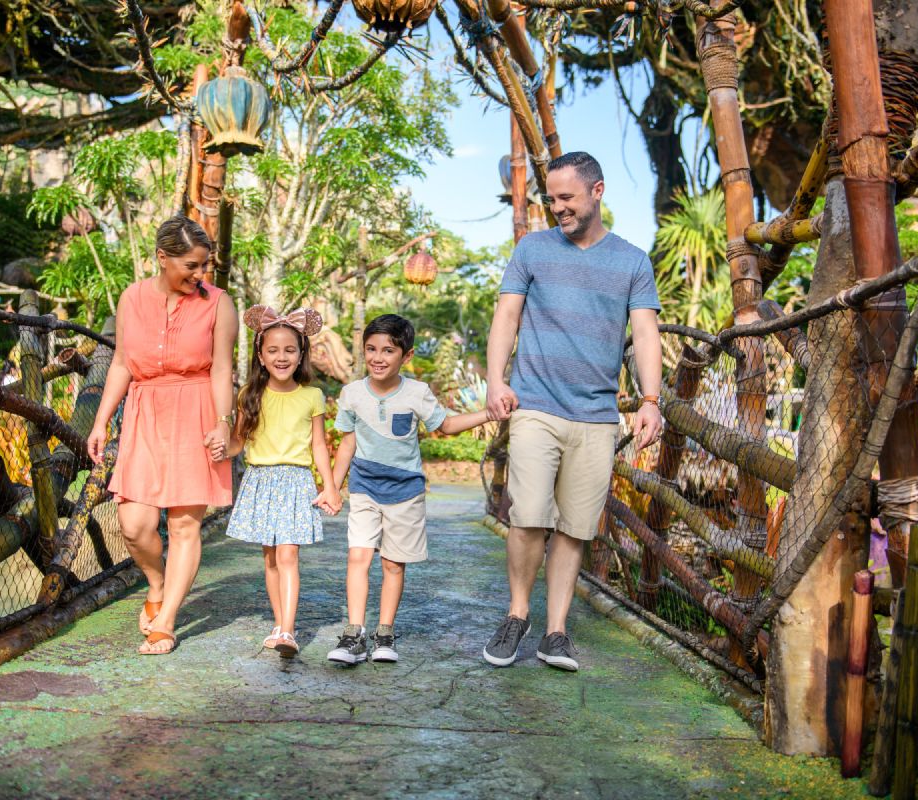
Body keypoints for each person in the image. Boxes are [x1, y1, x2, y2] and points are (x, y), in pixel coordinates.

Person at [481, 151, 664, 672]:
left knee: (576, 529)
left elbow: (646, 333)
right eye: (551, 198)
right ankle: (517, 614)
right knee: (530, 515)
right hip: (536, 404)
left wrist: (651, 400)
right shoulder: (532, 249)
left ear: (597, 192)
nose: (556, 207)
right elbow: (506, 317)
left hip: (597, 415)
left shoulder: (631, 260)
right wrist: (496, 380)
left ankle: (555, 631)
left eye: (567, 198)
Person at [87, 215, 238, 656]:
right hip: (145, 412)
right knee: (134, 525)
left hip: (195, 411)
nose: (200, 274)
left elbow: (223, 369)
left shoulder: (218, 303)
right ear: (162, 258)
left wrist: (222, 422)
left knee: (185, 524)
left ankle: (167, 621)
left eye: (205, 265)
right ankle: (156, 582)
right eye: (191, 265)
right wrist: (101, 421)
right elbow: (121, 364)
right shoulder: (131, 298)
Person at [327, 314, 490, 665]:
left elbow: (446, 425)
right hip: (364, 487)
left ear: (407, 355)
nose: (378, 357)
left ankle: (384, 633)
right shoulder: (352, 394)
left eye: (388, 350)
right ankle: (353, 634)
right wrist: (332, 487)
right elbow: (346, 444)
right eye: (371, 349)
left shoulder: (417, 392)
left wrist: (487, 414)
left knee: (393, 564)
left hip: (405, 491)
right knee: (358, 556)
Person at [217, 305, 342, 659]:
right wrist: (222, 446)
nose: (281, 357)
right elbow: (239, 442)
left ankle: (288, 629)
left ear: (301, 353)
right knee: (270, 557)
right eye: (273, 350)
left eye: (290, 349)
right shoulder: (249, 396)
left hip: (296, 481)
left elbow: (319, 444)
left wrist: (329, 486)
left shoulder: (312, 395)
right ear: (260, 354)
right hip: (260, 480)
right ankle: (278, 622)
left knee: (288, 554)